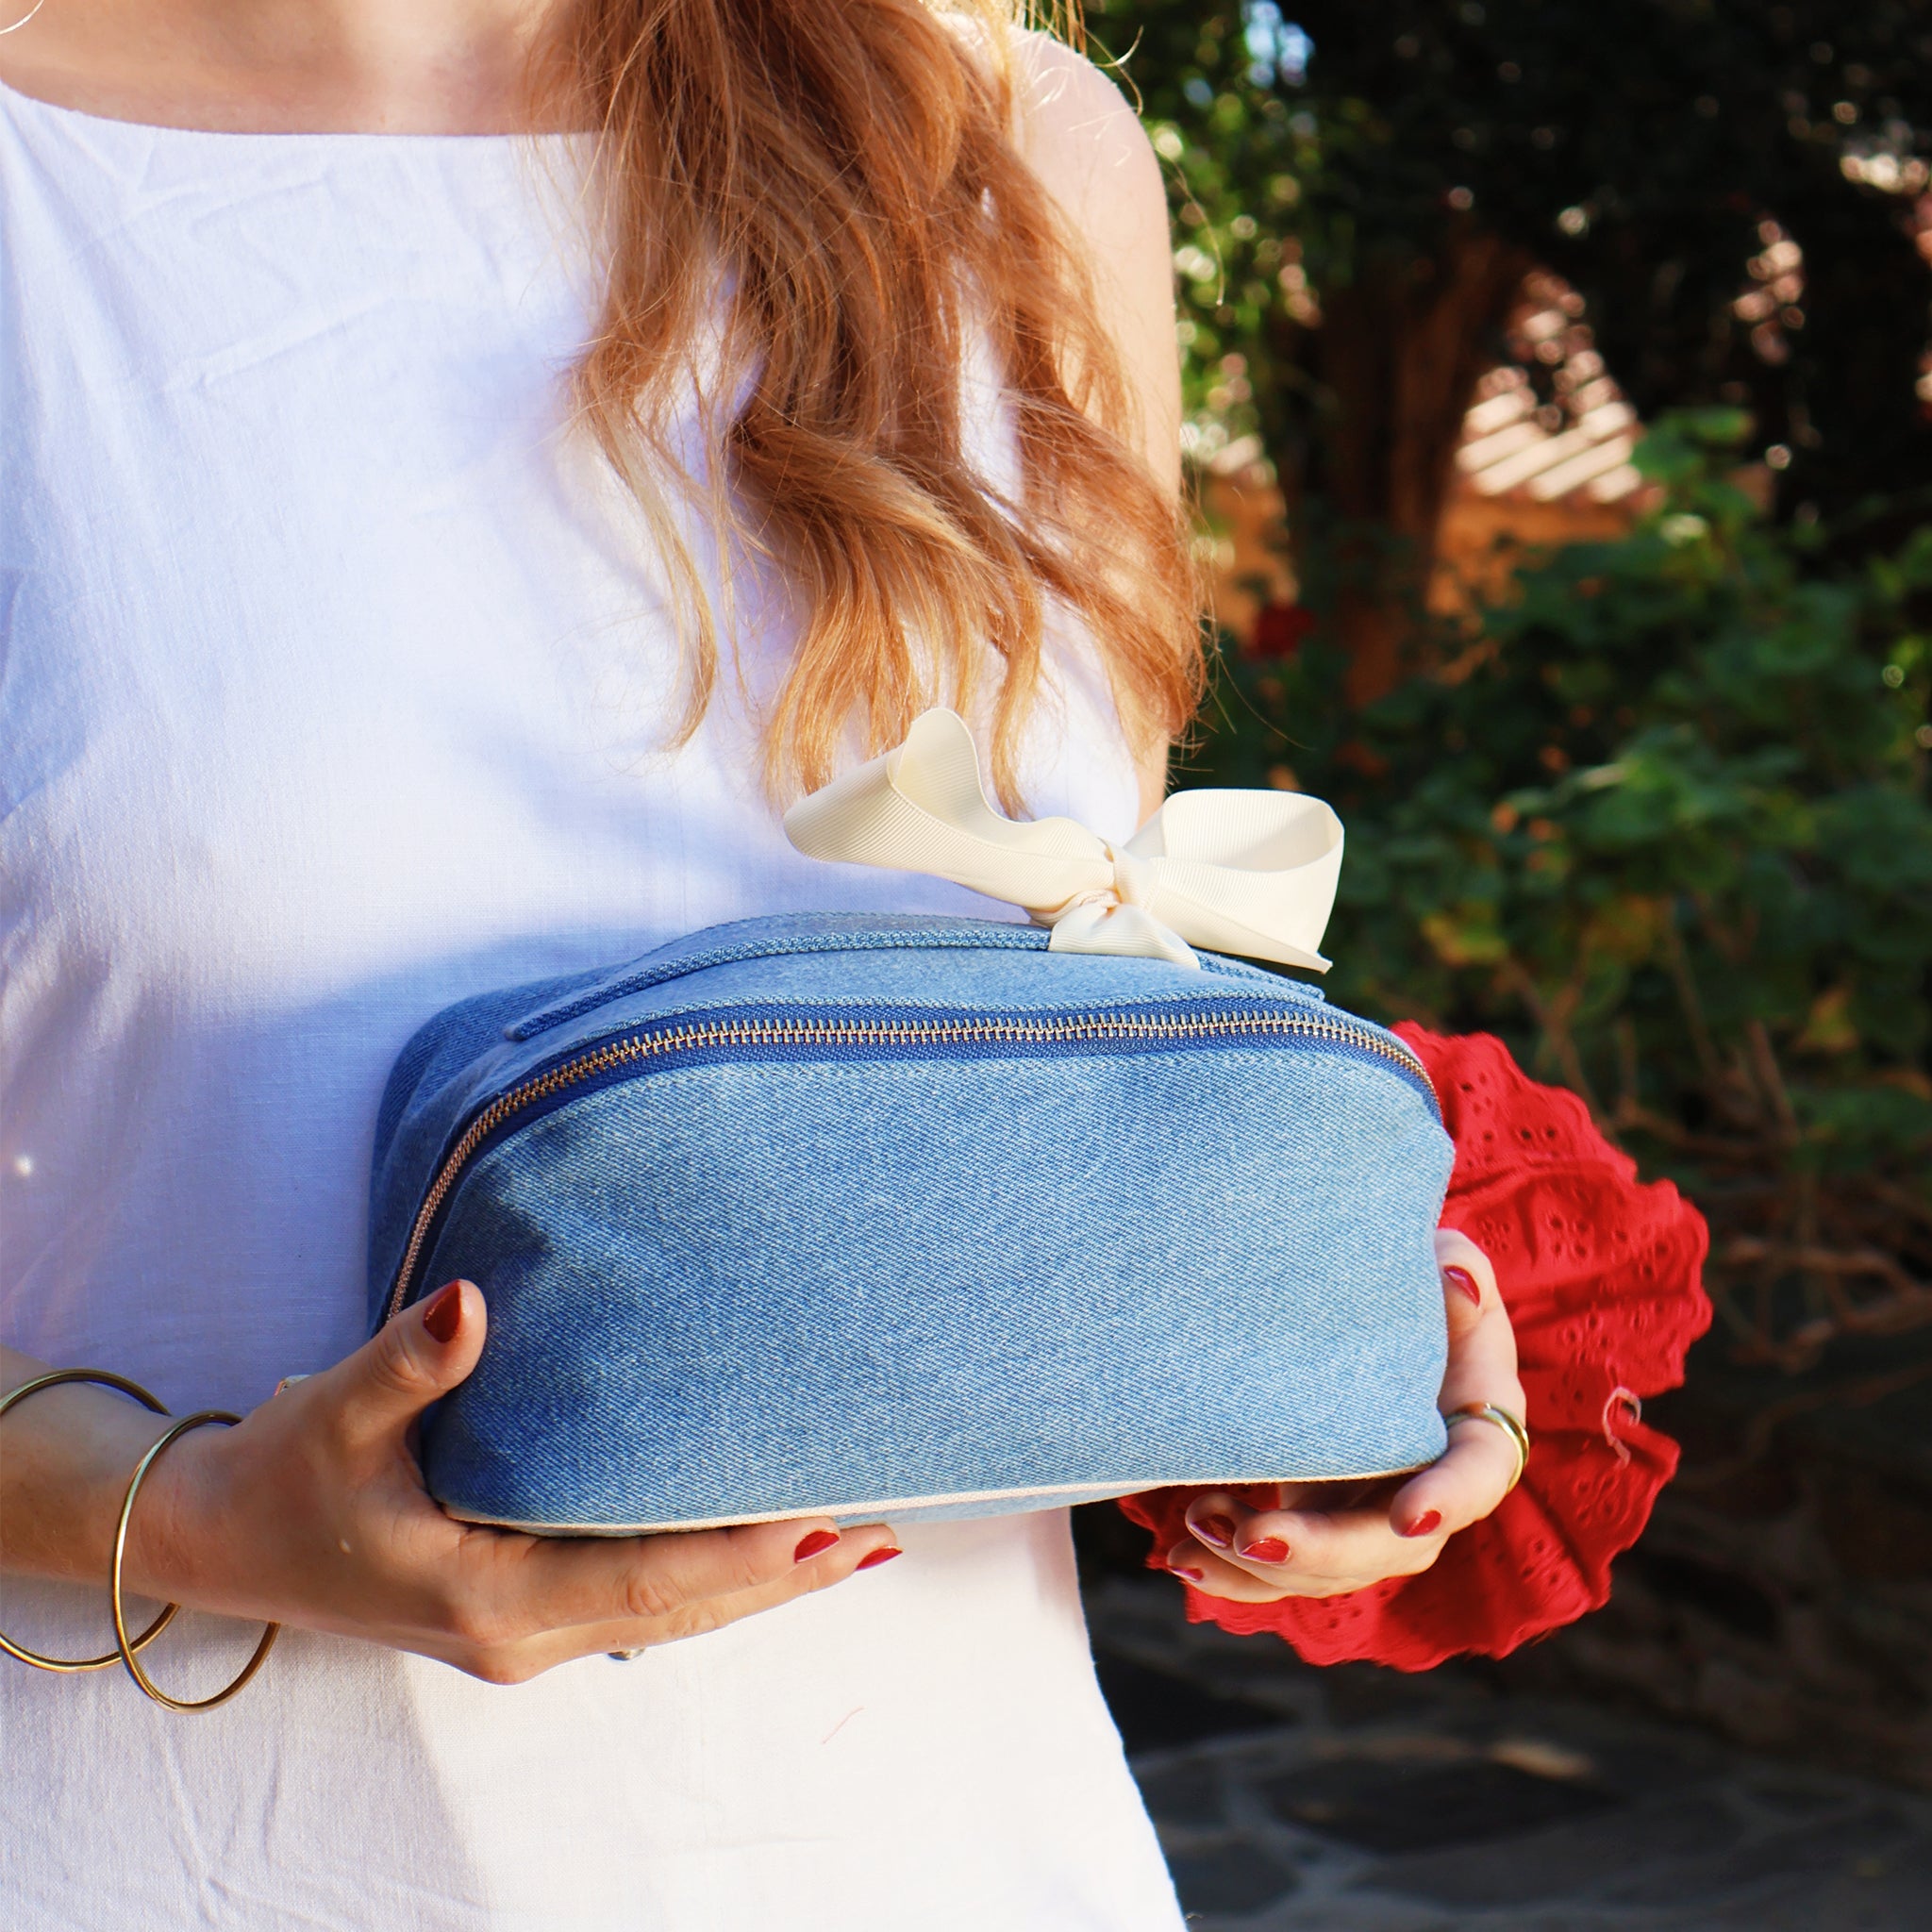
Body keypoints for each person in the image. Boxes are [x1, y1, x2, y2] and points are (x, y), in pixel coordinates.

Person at [0, 5, 1537, 1926]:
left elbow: (1031, 1056)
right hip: (166, 1849)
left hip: (950, 1849)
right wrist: (193, 1516)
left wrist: (1288, 1367)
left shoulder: (1010, 149)